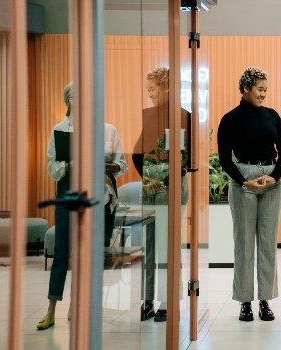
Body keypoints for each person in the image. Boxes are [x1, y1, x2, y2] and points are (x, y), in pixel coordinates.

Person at [37, 82, 128, 330]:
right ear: (68, 101)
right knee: (63, 253)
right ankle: (51, 308)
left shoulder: (107, 130)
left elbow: (123, 166)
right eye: (75, 97)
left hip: (99, 196)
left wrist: (105, 165)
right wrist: (70, 166)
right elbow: (51, 168)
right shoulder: (59, 130)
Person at [217, 67, 281, 322]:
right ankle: (245, 302)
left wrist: (274, 176)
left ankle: (265, 301)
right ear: (246, 88)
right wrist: (244, 182)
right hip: (243, 179)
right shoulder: (229, 119)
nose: (263, 94)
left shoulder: (272, 115)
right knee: (244, 243)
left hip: (271, 180)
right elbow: (224, 159)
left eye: (266, 90)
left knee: (268, 243)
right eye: (260, 89)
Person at [132, 67, 190, 322]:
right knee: (149, 246)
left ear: (166, 88)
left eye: (153, 90)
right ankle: (147, 301)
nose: (150, 95)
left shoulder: (181, 116)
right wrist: (146, 178)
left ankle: (167, 302)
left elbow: (184, 159)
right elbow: (137, 152)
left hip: (171, 187)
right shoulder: (150, 116)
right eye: (148, 91)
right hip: (151, 186)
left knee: (168, 246)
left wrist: (161, 178)